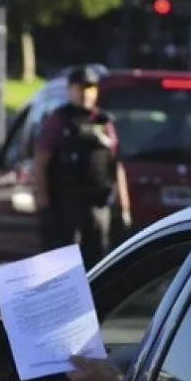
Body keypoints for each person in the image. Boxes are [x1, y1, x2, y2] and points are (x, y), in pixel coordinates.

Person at [33, 66, 131, 267]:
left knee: (96, 263)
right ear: (70, 90)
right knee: (63, 265)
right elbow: (40, 164)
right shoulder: (58, 121)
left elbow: (116, 166)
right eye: (80, 88)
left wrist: (123, 207)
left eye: (90, 88)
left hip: (97, 205)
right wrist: (43, 206)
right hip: (65, 205)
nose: (85, 93)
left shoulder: (104, 122)